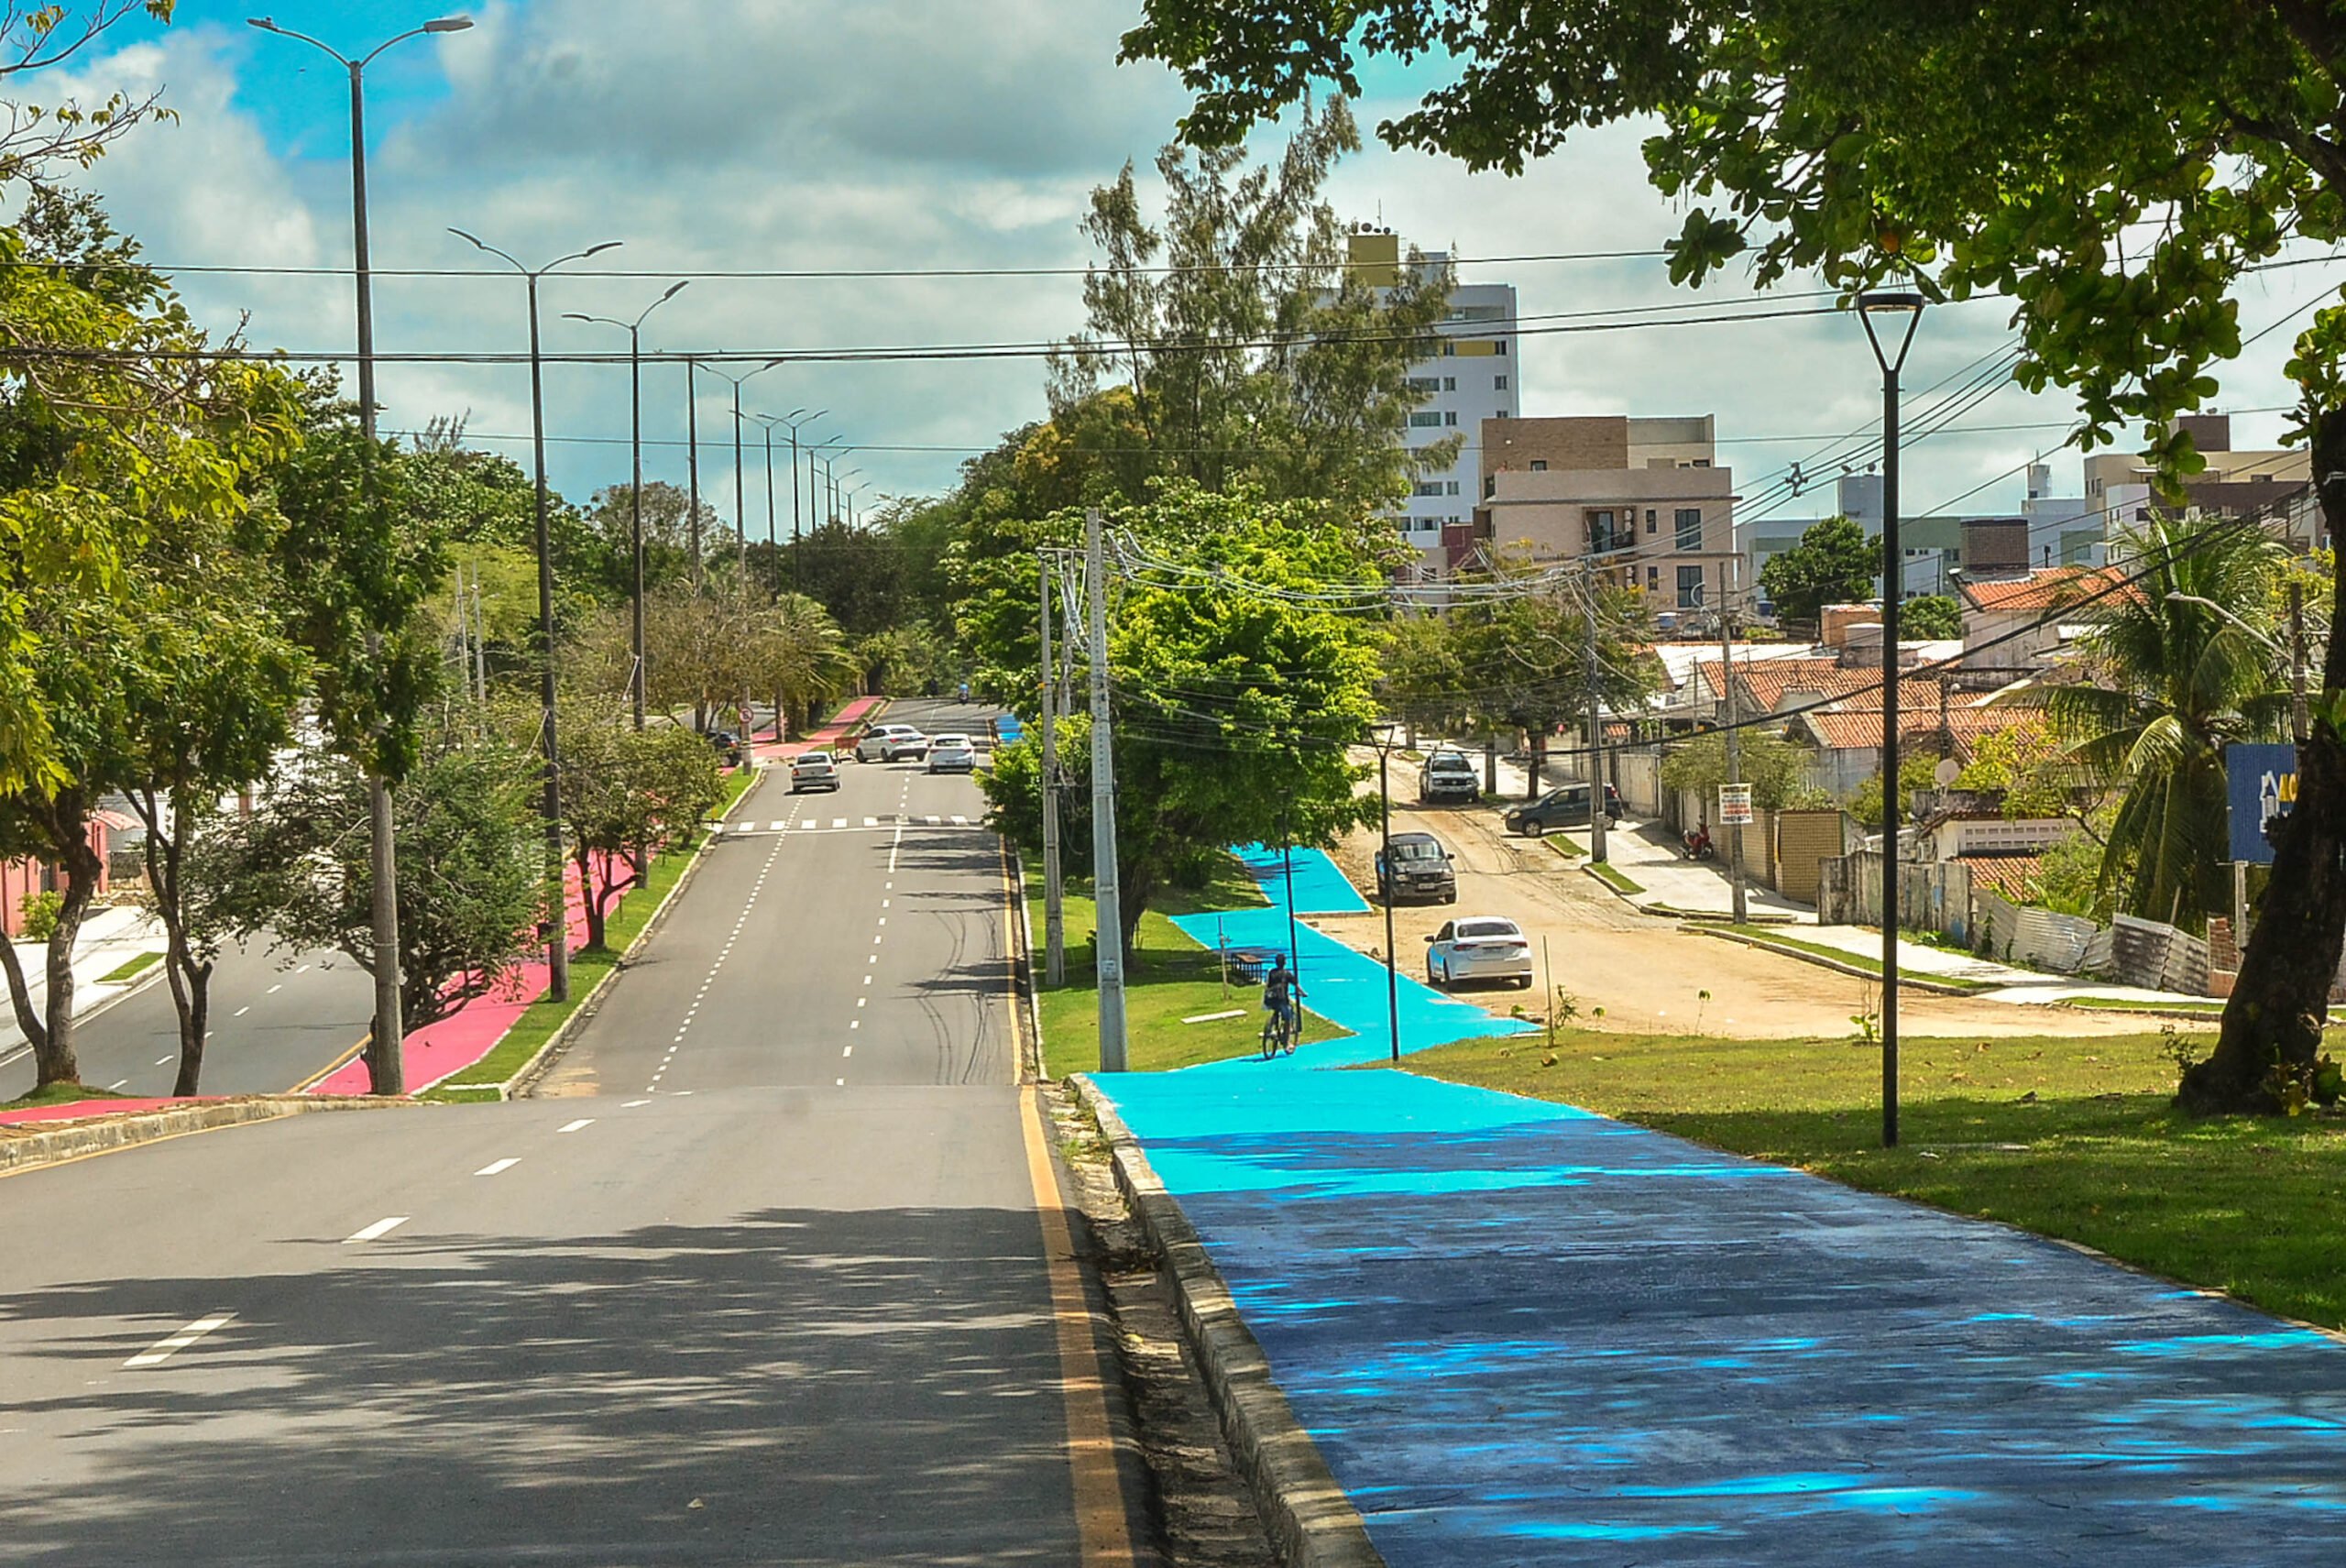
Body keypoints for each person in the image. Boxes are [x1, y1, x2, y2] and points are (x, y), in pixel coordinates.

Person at [1262, 954, 1301, 1049]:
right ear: (1284, 963)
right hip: (1282, 1000)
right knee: (1287, 1019)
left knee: (1276, 1011)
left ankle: (1272, 1025)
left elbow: (1268, 984)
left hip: (1271, 999)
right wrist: (1302, 993)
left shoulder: (1271, 972)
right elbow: (1296, 984)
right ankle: (1286, 1042)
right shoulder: (1286, 973)